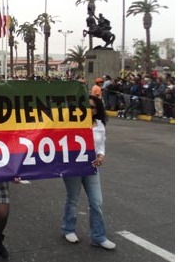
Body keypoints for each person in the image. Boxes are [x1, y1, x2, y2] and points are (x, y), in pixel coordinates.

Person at [61, 95, 116, 250]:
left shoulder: (99, 124)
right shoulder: (71, 123)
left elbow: (101, 145)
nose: (89, 110)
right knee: (73, 199)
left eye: (92, 107)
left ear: (96, 110)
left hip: (91, 167)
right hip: (73, 166)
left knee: (96, 201)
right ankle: (68, 229)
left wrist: (101, 156)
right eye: (86, 106)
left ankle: (98, 236)